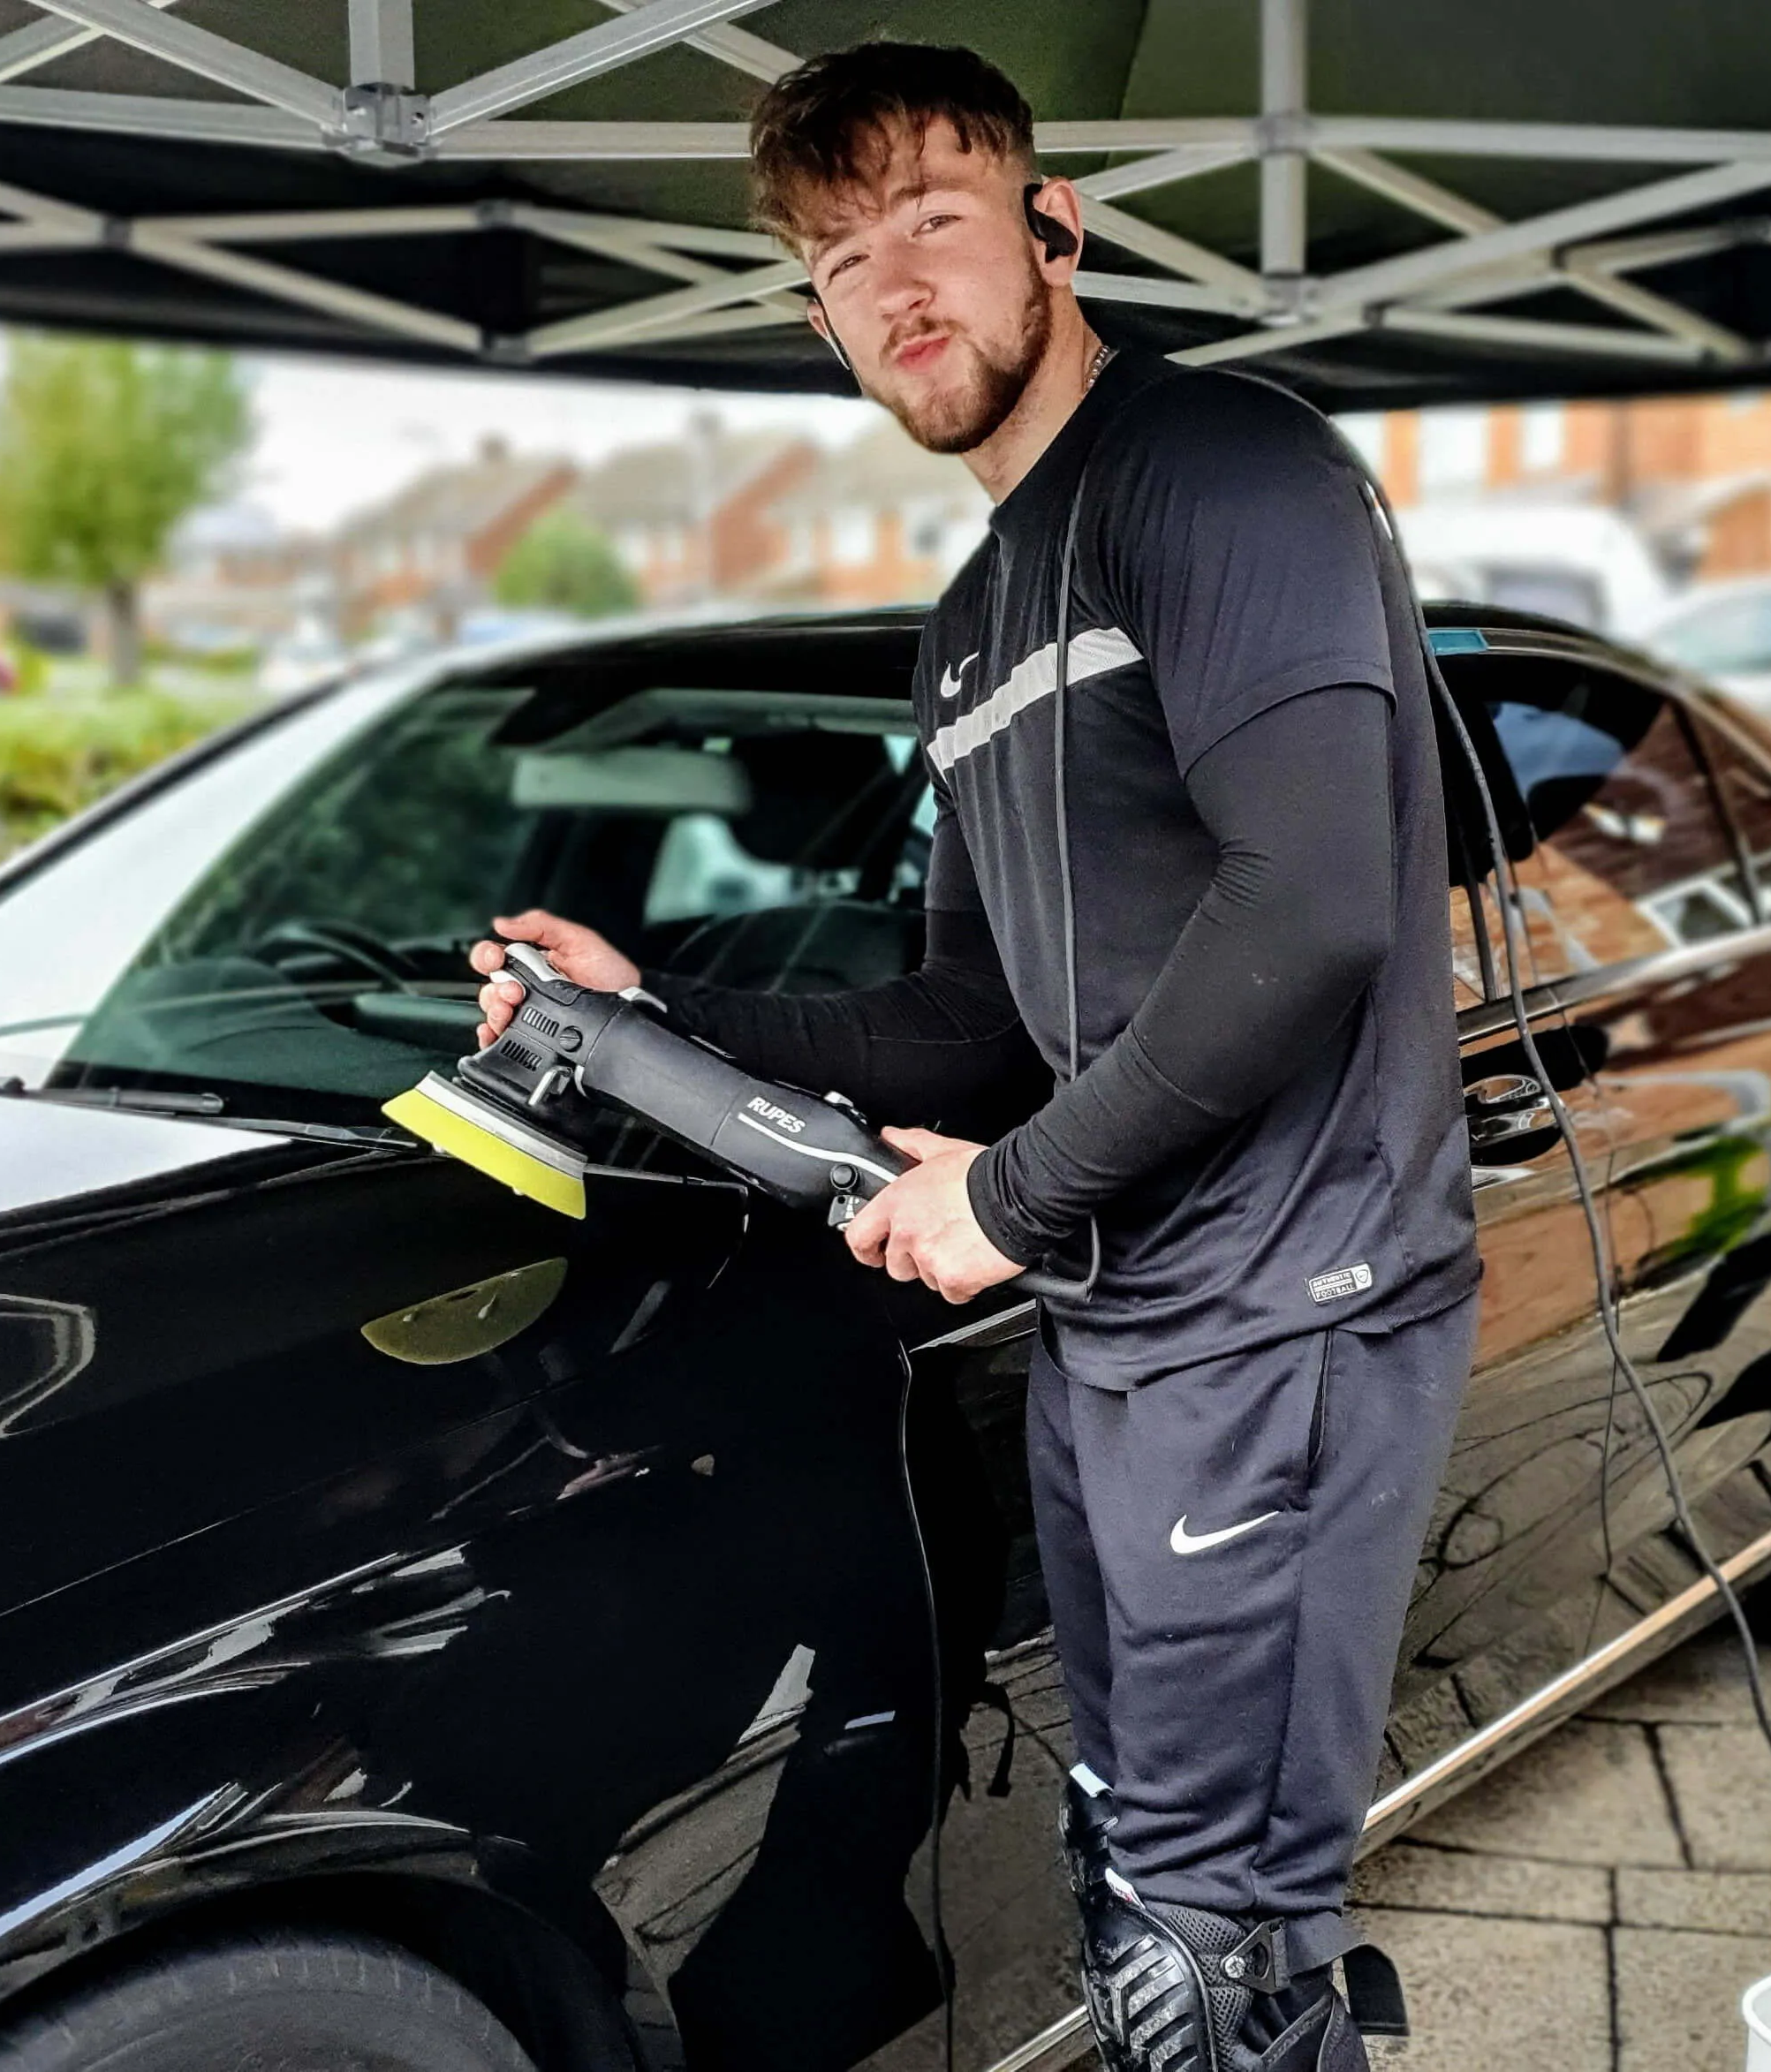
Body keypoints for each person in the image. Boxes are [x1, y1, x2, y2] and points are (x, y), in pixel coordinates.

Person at [469, 41, 1479, 2072]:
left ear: (1052, 227)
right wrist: (649, 1014)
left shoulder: (1221, 471)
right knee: (1128, 1858)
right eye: (844, 259)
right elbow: (974, 1017)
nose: (896, 285)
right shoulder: (969, 623)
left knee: (1223, 1932)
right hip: (1122, 1320)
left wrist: (1000, 1202)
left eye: (934, 219)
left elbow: (1312, 905)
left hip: (1281, 1317)